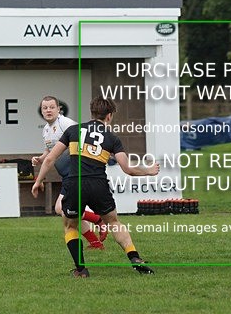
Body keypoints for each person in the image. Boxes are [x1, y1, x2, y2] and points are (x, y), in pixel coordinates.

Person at [32, 96, 159, 277]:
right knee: (114, 222)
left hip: (75, 184)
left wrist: (38, 181)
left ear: (92, 112)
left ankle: (81, 269)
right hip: (99, 185)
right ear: (109, 116)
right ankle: (134, 257)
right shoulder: (112, 138)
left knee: (70, 226)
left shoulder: (73, 131)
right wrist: (149, 171)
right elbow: (128, 169)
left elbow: (51, 158)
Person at [31, 96, 107, 250]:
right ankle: (95, 242)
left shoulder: (65, 123)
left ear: (59, 109)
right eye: (45, 108)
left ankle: (98, 220)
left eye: (52, 107)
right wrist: (40, 158)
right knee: (68, 213)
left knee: (62, 209)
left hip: (75, 172)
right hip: (67, 175)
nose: (48, 110)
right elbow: (50, 150)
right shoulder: (46, 129)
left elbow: (84, 137)